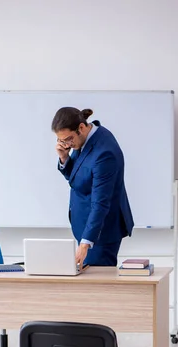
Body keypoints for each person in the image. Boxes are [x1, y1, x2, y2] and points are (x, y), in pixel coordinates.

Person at [52, 107, 134, 267]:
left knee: (97, 287)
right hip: (85, 226)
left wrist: (86, 243)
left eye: (68, 139)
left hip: (100, 234)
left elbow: (101, 203)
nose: (66, 144)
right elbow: (78, 179)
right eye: (61, 141)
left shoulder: (104, 153)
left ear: (81, 128)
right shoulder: (83, 140)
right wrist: (64, 158)